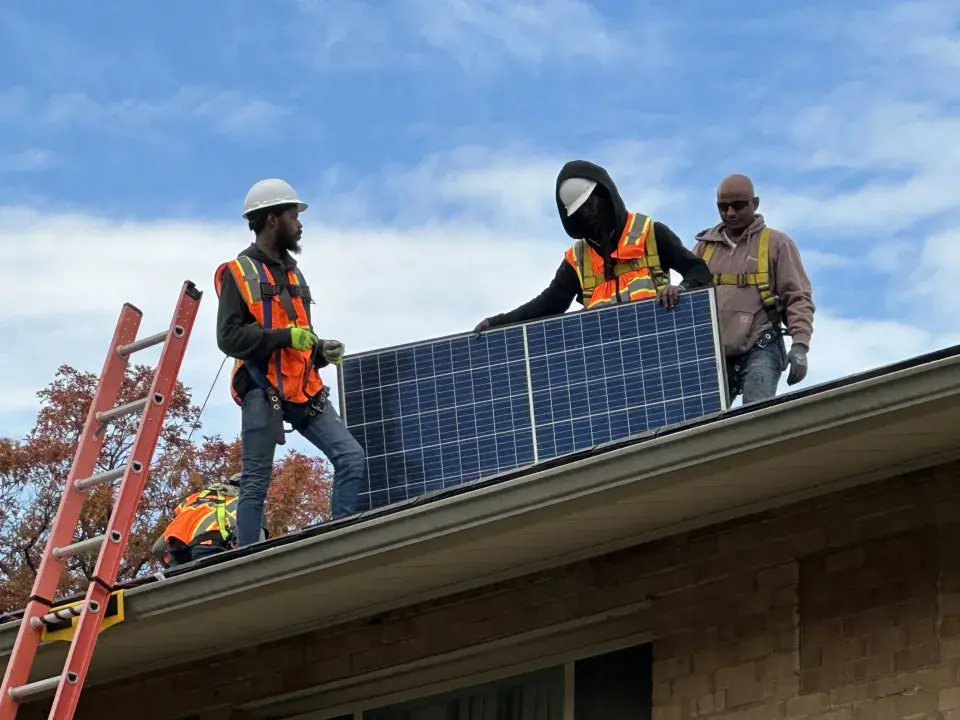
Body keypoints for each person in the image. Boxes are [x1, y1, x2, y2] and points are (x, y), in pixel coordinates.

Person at [214, 178, 366, 545]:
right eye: (293, 215)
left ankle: (340, 539)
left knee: (351, 457)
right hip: (262, 389)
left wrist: (319, 349)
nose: (299, 223)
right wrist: (285, 338)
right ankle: (248, 562)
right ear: (271, 219)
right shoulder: (238, 273)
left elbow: (300, 336)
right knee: (255, 483)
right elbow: (228, 338)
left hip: (304, 388)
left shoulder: (293, 274)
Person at [474, 160, 712, 332]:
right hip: (606, 362)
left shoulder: (650, 233)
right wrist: (498, 322)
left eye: (590, 205)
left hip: (658, 347)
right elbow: (549, 304)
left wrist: (682, 289)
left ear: (604, 196)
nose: (587, 215)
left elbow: (699, 270)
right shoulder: (577, 259)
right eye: (579, 211)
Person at [692, 174, 815, 404]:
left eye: (738, 205)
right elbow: (687, 296)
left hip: (761, 345)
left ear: (754, 204)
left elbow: (797, 297)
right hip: (715, 352)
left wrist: (800, 346)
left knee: (754, 419)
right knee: (704, 425)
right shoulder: (704, 248)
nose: (730, 213)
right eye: (723, 207)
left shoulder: (776, 244)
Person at [151, 474, 267, 567]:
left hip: (177, 552)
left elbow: (158, 548)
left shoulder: (193, 499)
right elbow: (256, 541)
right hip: (208, 547)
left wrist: (171, 569)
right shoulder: (247, 502)